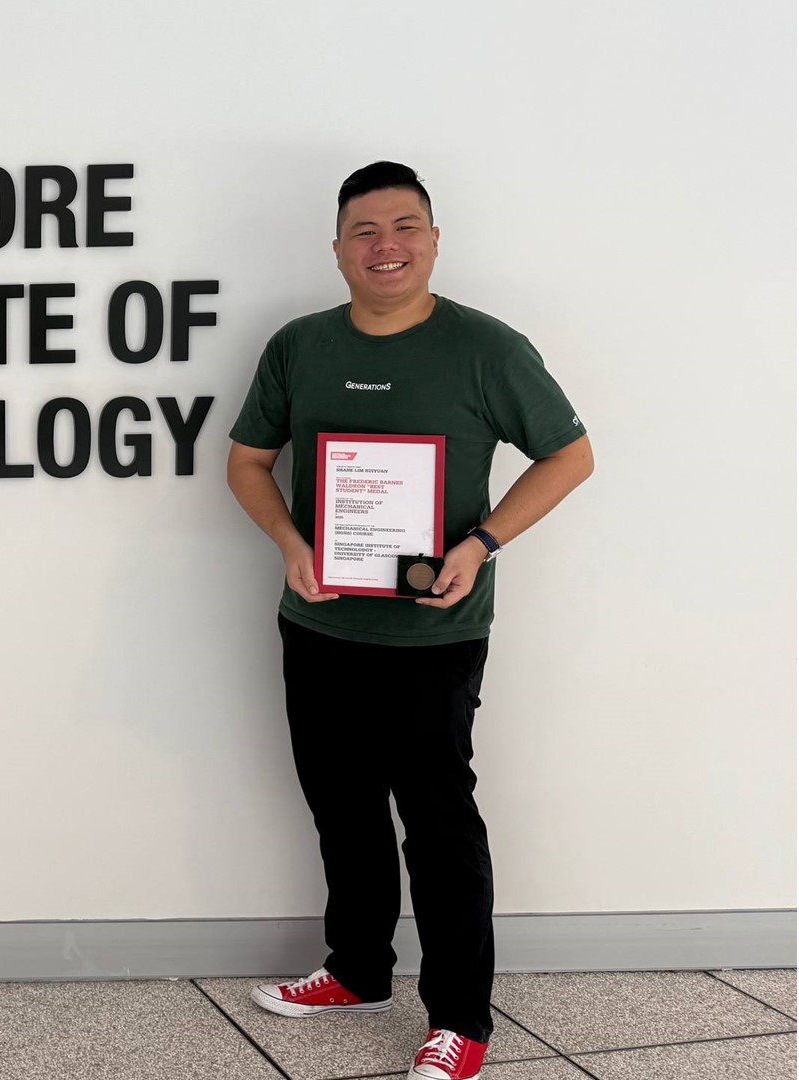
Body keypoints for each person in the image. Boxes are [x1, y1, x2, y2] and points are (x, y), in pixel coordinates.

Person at [225, 161, 593, 1080]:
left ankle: (460, 1018)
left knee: (438, 823)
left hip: (435, 634)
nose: (384, 245)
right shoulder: (300, 346)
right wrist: (288, 542)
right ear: (337, 249)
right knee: (341, 806)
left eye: (405, 227)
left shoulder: (487, 349)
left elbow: (569, 456)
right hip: (319, 624)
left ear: (433, 241)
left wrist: (482, 544)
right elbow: (247, 462)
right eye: (365, 230)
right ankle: (358, 970)